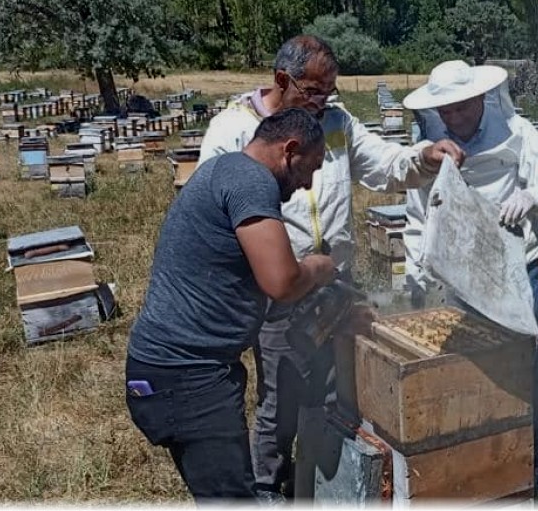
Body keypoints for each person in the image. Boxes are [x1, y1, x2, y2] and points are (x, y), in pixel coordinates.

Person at [197, 34, 464, 501]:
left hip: (336, 283)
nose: (324, 101)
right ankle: (270, 489)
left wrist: (424, 156)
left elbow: (386, 166)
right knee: (281, 403)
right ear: (282, 80)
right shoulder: (231, 131)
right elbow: (212, 212)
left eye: (330, 91)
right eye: (314, 91)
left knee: (344, 390)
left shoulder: (338, 122)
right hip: (278, 289)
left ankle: (330, 485)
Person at [125, 108, 335, 502]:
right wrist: (317, 268)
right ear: (290, 150)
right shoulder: (251, 180)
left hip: (178, 371)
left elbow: (243, 279)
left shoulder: (227, 168)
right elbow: (283, 283)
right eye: (312, 167)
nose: (308, 183)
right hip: (188, 377)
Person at [400, 60, 538, 497]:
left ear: (480, 98)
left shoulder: (517, 132)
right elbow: (419, 214)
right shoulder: (429, 145)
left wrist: (532, 196)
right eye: (445, 111)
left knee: (527, 363)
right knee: (469, 370)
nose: (452, 118)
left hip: (515, 269)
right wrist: (417, 269)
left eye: (459, 108)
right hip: (460, 277)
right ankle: (484, 458)